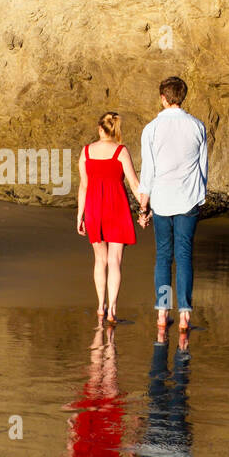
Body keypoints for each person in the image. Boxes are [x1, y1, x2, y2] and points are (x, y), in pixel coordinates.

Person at [137, 76, 208, 334]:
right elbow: (203, 167)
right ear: (182, 97)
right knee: (185, 255)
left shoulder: (152, 129)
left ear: (163, 98)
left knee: (164, 257)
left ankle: (163, 311)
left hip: (163, 200)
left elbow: (148, 171)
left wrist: (144, 205)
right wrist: (201, 196)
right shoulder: (197, 126)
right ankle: (185, 315)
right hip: (188, 198)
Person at [77, 111, 146, 324]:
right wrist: (144, 208)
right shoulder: (121, 151)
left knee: (100, 260)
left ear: (100, 129)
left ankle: (100, 306)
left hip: (94, 208)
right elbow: (135, 184)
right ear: (115, 130)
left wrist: (80, 214)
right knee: (115, 261)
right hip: (117, 207)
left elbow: (84, 186)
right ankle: (112, 309)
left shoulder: (86, 151)